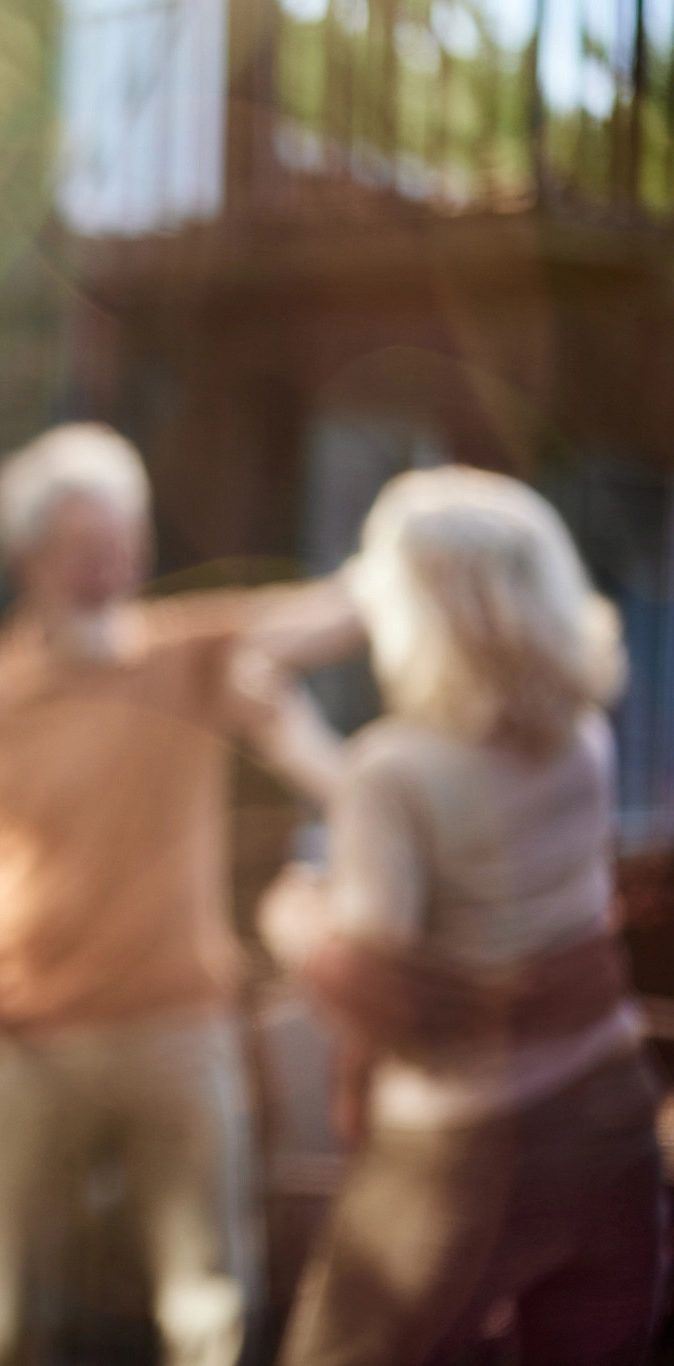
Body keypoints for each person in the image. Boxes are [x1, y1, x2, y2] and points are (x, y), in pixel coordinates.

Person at [0, 423, 355, 1366]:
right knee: (8, 1314)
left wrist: (421, 548)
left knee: (208, 1309)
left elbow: (337, 612)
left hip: (182, 1031)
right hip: (27, 1049)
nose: (111, 570)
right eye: (85, 549)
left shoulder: (189, 652)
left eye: (126, 546)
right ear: (26, 556)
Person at [260, 466, 661, 1366]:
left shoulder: (392, 772)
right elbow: (465, 831)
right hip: (607, 1109)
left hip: (463, 1144)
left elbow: (375, 982)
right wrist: (304, 754)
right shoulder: (582, 736)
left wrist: (288, 924)